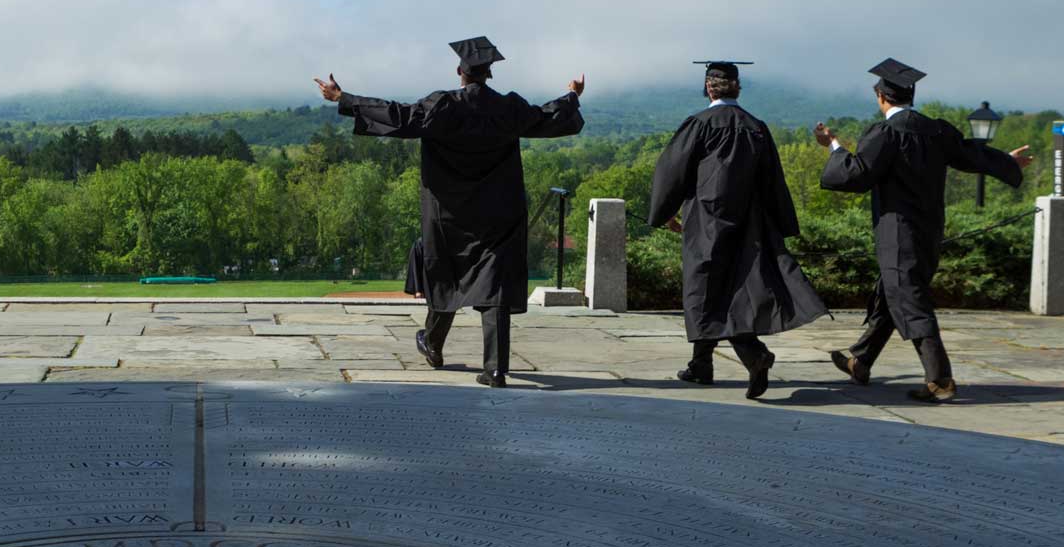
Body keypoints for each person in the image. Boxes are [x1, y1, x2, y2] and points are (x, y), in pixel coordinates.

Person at [315, 37, 585, 388]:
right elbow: (546, 116)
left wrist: (344, 99)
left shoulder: (442, 106)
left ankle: (433, 342)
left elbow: (398, 115)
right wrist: (573, 96)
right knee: (495, 287)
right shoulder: (508, 108)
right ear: (489, 73)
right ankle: (496, 368)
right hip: (499, 214)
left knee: (446, 276)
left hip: (449, 215)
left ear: (460, 71)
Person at [816, 59, 1032, 402]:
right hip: (929, 229)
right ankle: (861, 361)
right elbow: (970, 154)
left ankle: (940, 379)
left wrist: (833, 146)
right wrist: (1006, 161)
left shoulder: (885, 133)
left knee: (910, 299)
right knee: (893, 293)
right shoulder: (936, 130)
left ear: (880, 96)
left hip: (898, 230)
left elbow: (857, 174)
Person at [648, 61, 828, 400]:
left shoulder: (699, 124)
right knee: (733, 290)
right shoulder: (756, 127)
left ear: (708, 87)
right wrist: (781, 223)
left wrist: (664, 212)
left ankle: (751, 354)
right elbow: (773, 178)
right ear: (737, 87)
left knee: (706, 292)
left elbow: (672, 170)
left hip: (706, 220)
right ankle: (701, 365)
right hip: (750, 224)